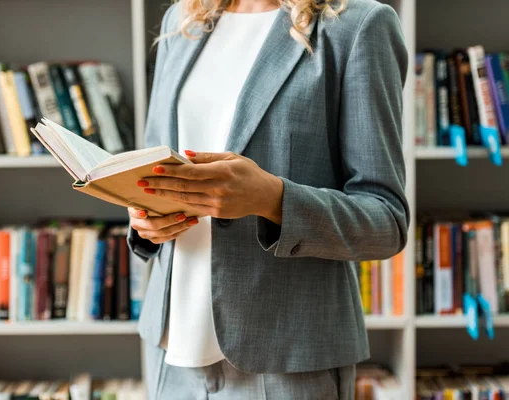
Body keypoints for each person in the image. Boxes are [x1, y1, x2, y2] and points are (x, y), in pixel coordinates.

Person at [128, 0, 409, 398]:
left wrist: (272, 199)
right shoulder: (183, 21)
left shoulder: (358, 25)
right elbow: (152, 166)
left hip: (288, 360)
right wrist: (144, 218)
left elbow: (386, 221)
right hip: (171, 349)